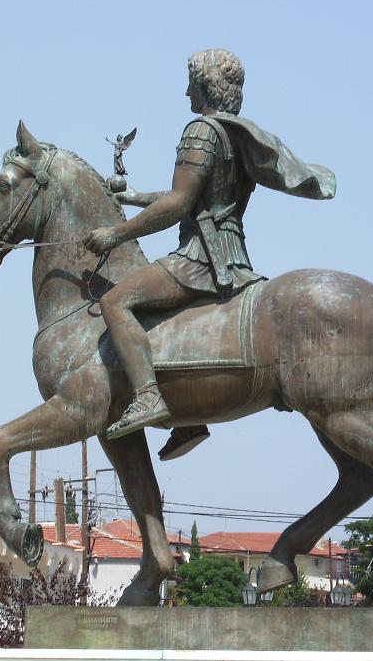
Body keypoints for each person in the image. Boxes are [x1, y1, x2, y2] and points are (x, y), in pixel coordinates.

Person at [84, 49, 334, 457]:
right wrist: (133, 197)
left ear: (204, 86)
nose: (185, 93)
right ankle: (189, 418)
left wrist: (117, 233)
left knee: (115, 301)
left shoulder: (200, 131)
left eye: (190, 84)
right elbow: (189, 194)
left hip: (199, 258)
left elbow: (180, 204)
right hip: (232, 254)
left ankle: (149, 397)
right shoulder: (231, 133)